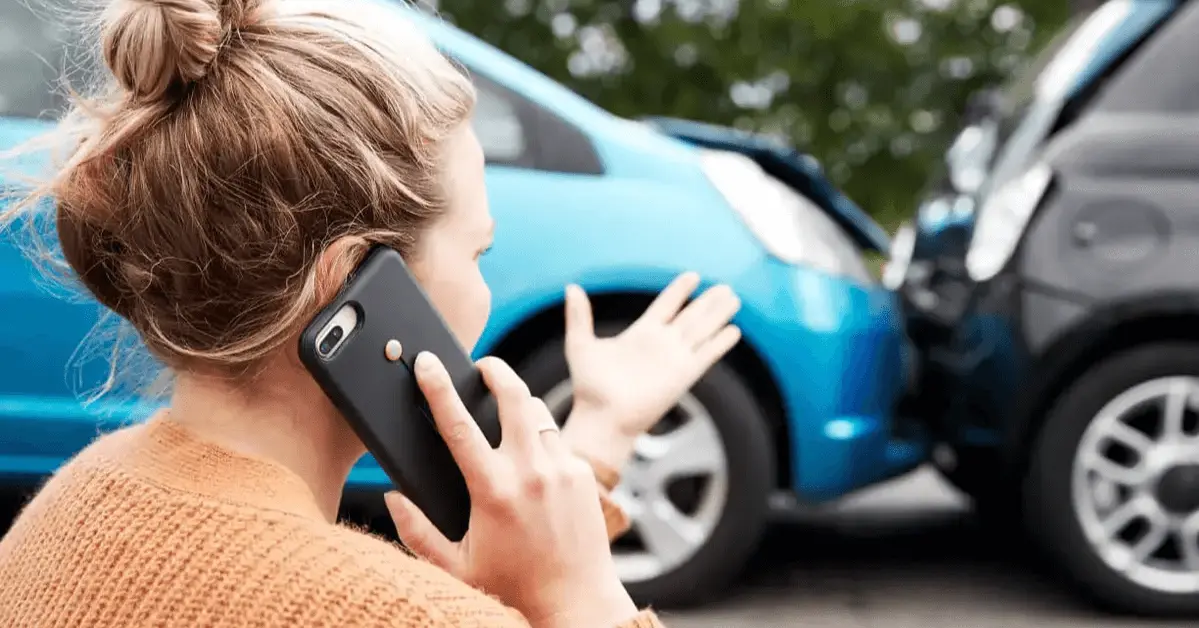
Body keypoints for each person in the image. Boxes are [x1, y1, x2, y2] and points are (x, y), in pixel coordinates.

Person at [0, 0, 745, 627]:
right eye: (477, 253)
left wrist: (596, 439)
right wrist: (580, 598)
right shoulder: (400, 612)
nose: (481, 286)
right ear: (354, 284)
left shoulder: (79, 498)